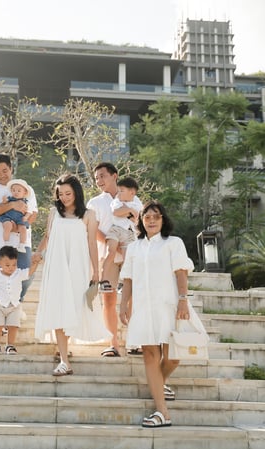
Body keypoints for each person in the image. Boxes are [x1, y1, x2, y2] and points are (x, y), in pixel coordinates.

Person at [119, 200, 202, 428]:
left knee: (173, 356)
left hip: (170, 306)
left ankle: (159, 382)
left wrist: (183, 300)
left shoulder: (172, 243)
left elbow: (181, 272)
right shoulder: (134, 247)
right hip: (144, 309)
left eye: (156, 216)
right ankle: (162, 412)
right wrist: (123, 303)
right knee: (150, 356)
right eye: (147, 217)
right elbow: (128, 278)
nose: (152, 221)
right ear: (141, 221)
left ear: (163, 219)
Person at [33, 173, 111, 376]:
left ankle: (66, 351)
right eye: (60, 194)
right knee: (59, 308)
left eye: (68, 193)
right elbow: (48, 237)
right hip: (57, 267)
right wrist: (38, 254)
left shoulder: (89, 214)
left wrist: (97, 270)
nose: (65, 197)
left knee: (75, 306)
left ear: (76, 192)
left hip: (79, 267)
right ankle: (64, 360)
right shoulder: (53, 213)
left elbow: (92, 243)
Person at [87, 162, 142, 357]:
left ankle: (135, 342)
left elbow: (139, 226)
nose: (99, 181)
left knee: (133, 298)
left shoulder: (133, 199)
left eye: (102, 176)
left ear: (114, 176)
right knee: (108, 298)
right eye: (96, 178)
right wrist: (114, 243)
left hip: (130, 254)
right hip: (107, 255)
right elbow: (92, 230)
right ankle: (113, 343)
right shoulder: (94, 203)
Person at [0, 153, 38, 302]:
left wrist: (18, 228)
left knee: (26, 277)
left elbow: (32, 214)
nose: (1, 175)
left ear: (11, 168)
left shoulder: (26, 188)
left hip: (21, 241)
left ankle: (16, 307)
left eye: (4, 170)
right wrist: (12, 205)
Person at [0, 245, 37, 354]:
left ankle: (10, 345)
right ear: (0, 263)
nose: (11, 268)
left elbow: (29, 272)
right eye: (7, 265)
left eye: (14, 264)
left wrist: (36, 263)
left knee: (13, 326)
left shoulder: (18, 273)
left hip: (14, 305)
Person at [99, 177, 142, 293]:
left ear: (132, 192)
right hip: (116, 230)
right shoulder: (117, 201)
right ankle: (103, 280)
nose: (119, 193)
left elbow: (137, 217)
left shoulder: (137, 202)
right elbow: (116, 212)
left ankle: (122, 283)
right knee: (111, 252)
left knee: (126, 259)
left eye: (122, 191)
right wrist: (130, 210)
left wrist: (127, 211)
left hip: (129, 233)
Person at [0, 178, 32, 252]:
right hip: (8, 216)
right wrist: (4, 201)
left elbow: (29, 211)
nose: (16, 192)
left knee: (23, 229)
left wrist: (26, 217)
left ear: (24, 192)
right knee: (7, 226)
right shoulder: (10, 199)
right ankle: (6, 243)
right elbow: (4, 206)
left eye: (19, 191)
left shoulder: (26, 202)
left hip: (19, 218)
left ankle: (22, 245)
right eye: (13, 190)